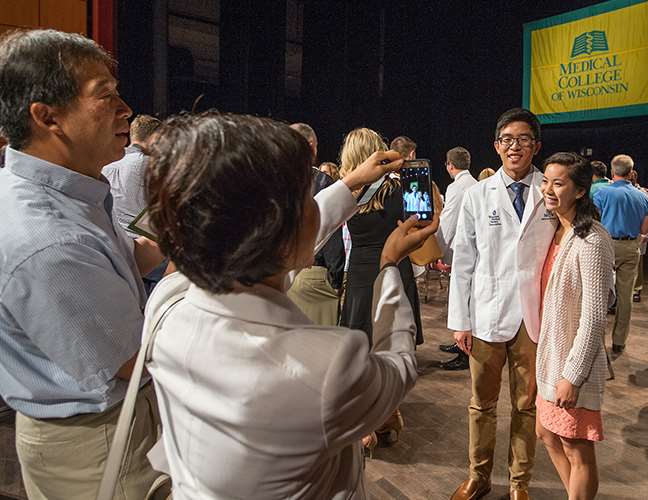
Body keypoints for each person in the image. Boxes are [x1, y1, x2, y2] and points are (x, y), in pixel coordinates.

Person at [144, 112, 439, 499]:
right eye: (305, 199)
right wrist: (388, 269)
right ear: (279, 227)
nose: (316, 209)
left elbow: (274, 254)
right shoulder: (323, 365)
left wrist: (351, 183)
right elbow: (398, 367)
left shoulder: (168, 302)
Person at [0, 29, 165, 498]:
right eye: (105, 96)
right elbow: (134, 359)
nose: (125, 110)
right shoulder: (46, 238)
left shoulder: (67, 192)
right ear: (47, 116)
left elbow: (128, 257)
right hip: (97, 438)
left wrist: (180, 219)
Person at [449, 108, 557, 500]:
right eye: (507, 139)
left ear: (536, 146)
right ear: (496, 146)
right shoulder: (478, 195)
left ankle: (519, 485)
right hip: (487, 316)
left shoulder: (551, 190)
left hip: (533, 318)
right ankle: (478, 477)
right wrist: (460, 320)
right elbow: (463, 260)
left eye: (524, 139)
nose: (515, 146)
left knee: (527, 406)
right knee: (482, 405)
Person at [338, 127, 424, 447]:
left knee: (361, 349)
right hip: (392, 268)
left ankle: (370, 419)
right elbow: (417, 224)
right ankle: (387, 414)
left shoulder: (345, 191)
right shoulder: (394, 189)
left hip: (361, 274)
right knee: (390, 343)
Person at [536, 152, 613, 500]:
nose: (548, 189)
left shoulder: (591, 240)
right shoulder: (556, 231)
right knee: (547, 434)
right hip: (550, 358)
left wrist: (573, 374)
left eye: (558, 183)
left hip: (572, 363)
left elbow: (595, 316)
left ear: (580, 191)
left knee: (575, 446)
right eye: (546, 181)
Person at [592, 155, 648, 353]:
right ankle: (619, 341)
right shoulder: (643, 196)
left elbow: (595, 222)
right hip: (630, 247)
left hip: (605, 245)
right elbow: (645, 227)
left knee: (598, 294)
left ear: (612, 171)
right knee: (625, 297)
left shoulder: (602, 193)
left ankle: (595, 339)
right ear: (631, 171)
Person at [287, 123, 346, 326]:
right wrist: (336, 277)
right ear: (312, 146)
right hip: (314, 276)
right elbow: (331, 232)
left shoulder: (271, 179)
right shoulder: (323, 182)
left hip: (277, 277)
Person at [102, 114, 165, 294]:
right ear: (155, 138)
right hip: (151, 253)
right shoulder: (152, 165)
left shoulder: (107, 163)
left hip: (118, 251)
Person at [436, 146, 477, 371]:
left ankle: (464, 352)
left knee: (462, 301)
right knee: (466, 300)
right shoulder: (476, 184)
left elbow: (448, 222)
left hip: (460, 252)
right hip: (473, 252)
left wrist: (436, 252)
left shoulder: (456, 187)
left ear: (450, 165)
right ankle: (460, 343)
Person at [630, 169, 648, 303]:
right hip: (625, 231)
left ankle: (636, 289)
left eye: (632, 176)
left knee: (638, 262)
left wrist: (646, 234)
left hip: (639, 231)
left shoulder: (643, 192)